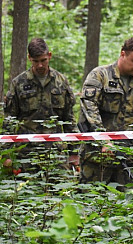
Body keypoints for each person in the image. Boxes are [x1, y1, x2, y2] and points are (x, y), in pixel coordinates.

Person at [78, 37, 133, 191]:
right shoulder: (99, 76)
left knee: (127, 209)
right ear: (123, 54)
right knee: (90, 205)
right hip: (97, 158)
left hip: (129, 162)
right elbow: (89, 108)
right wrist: (103, 139)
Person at [3, 38, 79, 172]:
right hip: (26, 153)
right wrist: (6, 154)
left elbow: (69, 119)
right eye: (36, 61)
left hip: (56, 151)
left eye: (43, 60)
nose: (40, 65)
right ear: (29, 58)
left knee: (60, 190)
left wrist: (74, 151)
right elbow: (9, 120)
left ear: (49, 56)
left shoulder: (61, 82)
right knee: (27, 190)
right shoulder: (19, 83)